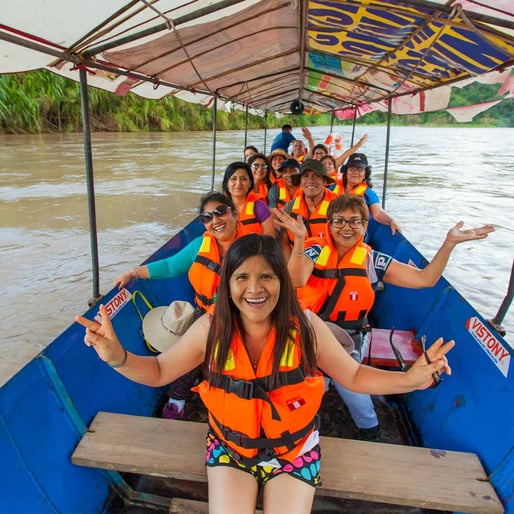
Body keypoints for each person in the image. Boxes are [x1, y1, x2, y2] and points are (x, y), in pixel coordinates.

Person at [77, 234, 454, 514]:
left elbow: (353, 376)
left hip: (294, 450)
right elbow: (159, 370)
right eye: (242, 277)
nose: (254, 289)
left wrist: (411, 378)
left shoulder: (304, 325)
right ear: (227, 284)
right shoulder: (211, 328)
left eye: (267, 277)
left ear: (282, 282)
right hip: (230, 447)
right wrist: (118, 356)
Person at [275, 194, 494, 441]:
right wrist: (301, 239)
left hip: (352, 334)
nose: (346, 228)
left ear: (365, 226)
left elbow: (425, 279)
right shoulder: (314, 248)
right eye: (339, 221)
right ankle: (301, 430)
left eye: (354, 222)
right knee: (301, 385)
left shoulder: (372, 260)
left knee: (352, 389)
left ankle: (371, 430)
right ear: (329, 224)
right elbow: (295, 279)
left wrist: (449, 244)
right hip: (313, 331)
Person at [114, 192, 240, 419]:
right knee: (188, 355)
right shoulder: (200, 245)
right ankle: (177, 399)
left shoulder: (251, 247)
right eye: (207, 217)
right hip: (205, 315)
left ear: (234, 213)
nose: (216, 220)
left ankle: (226, 402)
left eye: (221, 212)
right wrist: (134, 273)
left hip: (240, 317)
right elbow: (171, 266)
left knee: (228, 365)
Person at [278, 158, 337, 259]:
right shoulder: (290, 207)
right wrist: (289, 270)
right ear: (300, 182)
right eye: (305, 176)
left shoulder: (338, 205)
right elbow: (284, 242)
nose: (310, 181)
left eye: (316, 176)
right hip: (297, 262)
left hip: (328, 265)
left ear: (324, 181)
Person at [340, 153, 402, 234]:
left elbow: (378, 213)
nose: (355, 172)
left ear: (365, 174)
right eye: (352, 168)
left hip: (355, 233)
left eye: (360, 169)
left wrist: (391, 221)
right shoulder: (332, 188)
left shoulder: (368, 194)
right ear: (346, 171)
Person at [221, 161, 275, 238]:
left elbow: (270, 238)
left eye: (244, 179)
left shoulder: (259, 207)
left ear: (250, 183)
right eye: (233, 178)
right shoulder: (220, 207)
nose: (238, 183)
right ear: (226, 183)